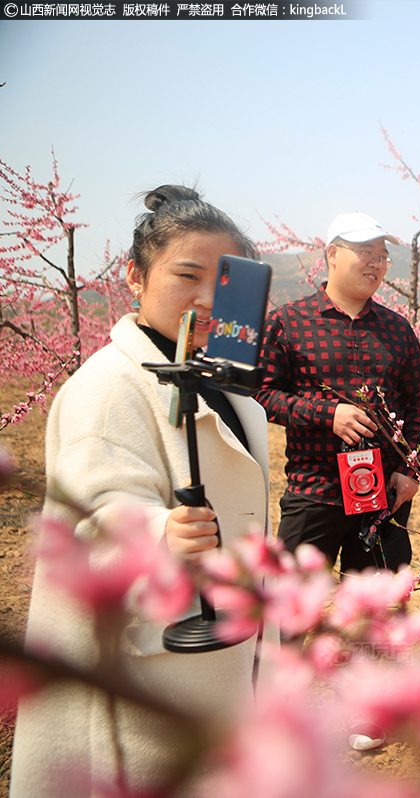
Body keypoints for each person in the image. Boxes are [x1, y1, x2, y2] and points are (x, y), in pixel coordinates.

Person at [10, 185, 271, 796]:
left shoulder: (223, 382)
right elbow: (92, 516)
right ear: (134, 275)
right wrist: (158, 531)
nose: (207, 300)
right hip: (149, 673)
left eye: (225, 283)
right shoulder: (108, 388)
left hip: (216, 658)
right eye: (187, 275)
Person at [256, 212, 420, 575]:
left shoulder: (397, 329)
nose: (377, 264)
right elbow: (261, 394)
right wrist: (327, 414)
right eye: (366, 252)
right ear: (332, 254)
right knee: (290, 609)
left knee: (376, 616)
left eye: (382, 257)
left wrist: (411, 469)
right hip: (314, 491)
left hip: (385, 495)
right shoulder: (288, 322)